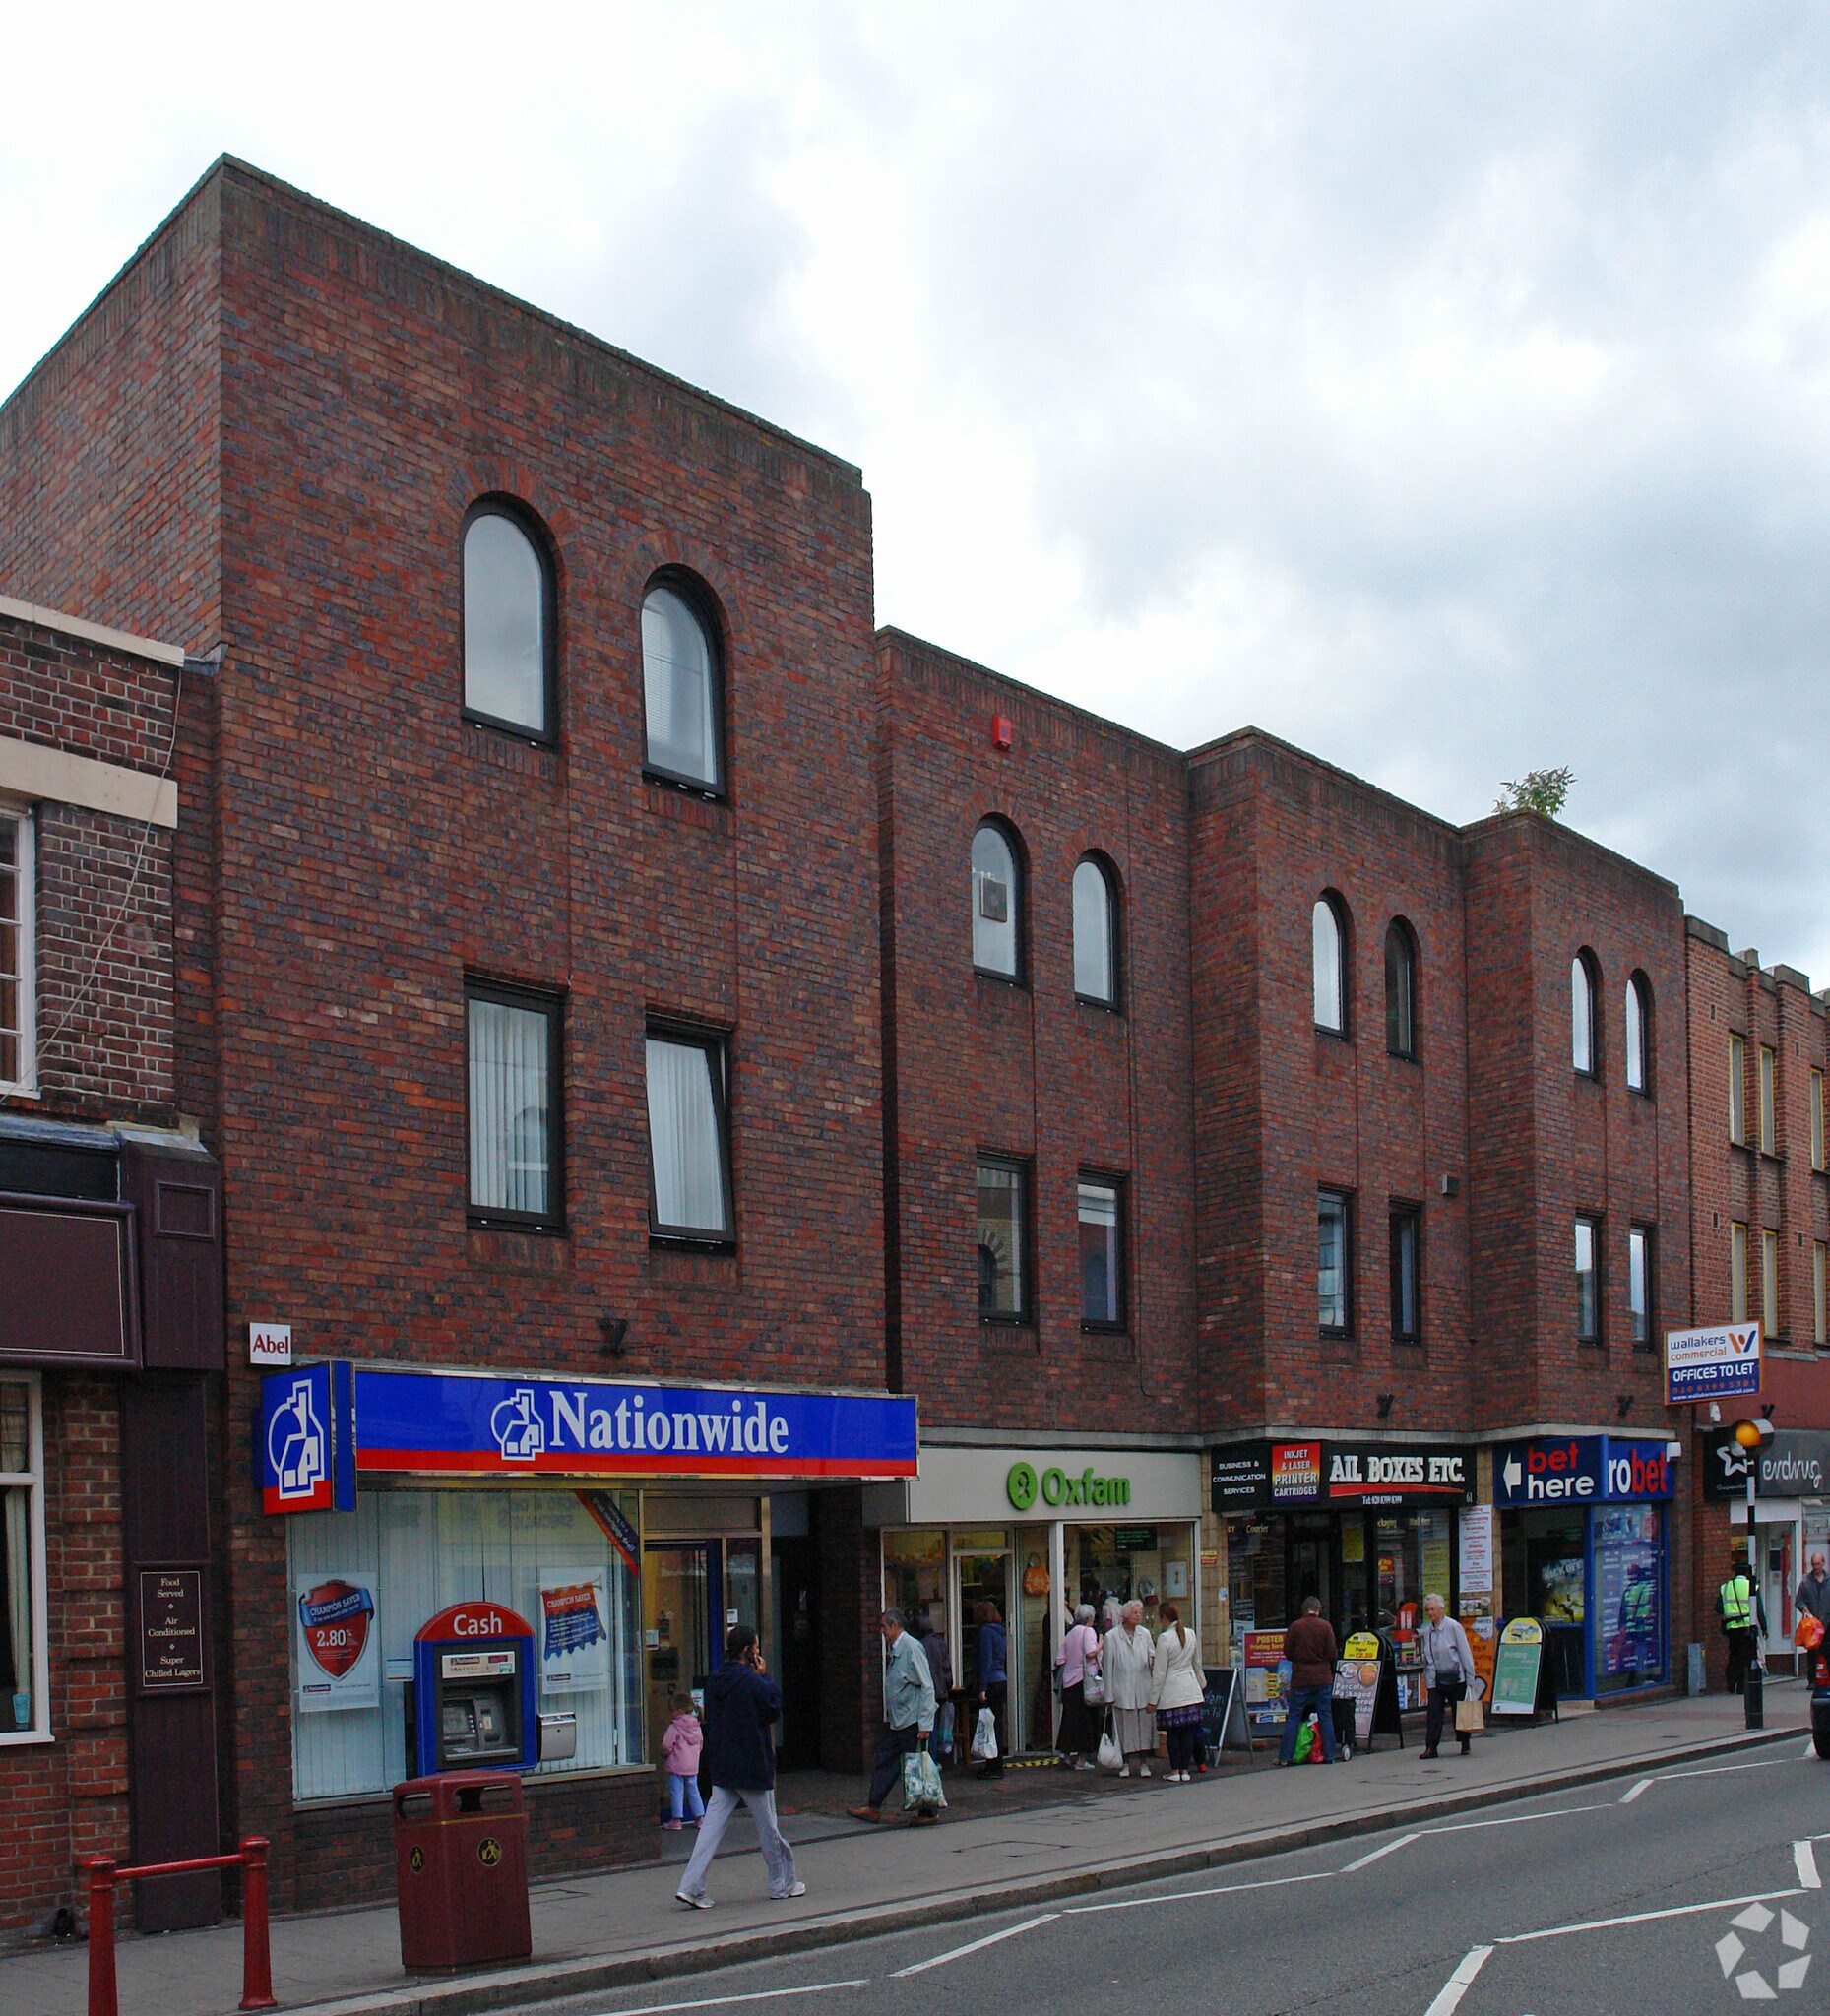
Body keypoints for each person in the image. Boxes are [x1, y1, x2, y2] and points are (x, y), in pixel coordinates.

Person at [673, 1624, 803, 1909]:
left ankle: (691, 1886)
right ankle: (781, 1883)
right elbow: (772, 1708)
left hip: (723, 1763)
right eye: (755, 1648)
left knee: (711, 1828)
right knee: (768, 1827)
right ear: (748, 1651)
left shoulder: (716, 1679)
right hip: (753, 1764)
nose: (758, 1652)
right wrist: (765, 1676)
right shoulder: (752, 1681)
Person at [849, 1608, 937, 1823]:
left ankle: (927, 1811)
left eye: (884, 1627)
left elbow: (927, 1686)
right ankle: (874, 1805)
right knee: (886, 1758)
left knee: (915, 1764)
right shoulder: (897, 1649)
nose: (882, 1631)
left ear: (895, 1626)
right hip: (900, 1720)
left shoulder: (912, 1648)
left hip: (912, 1720)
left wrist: (925, 1724)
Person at [1278, 1597, 1339, 1766]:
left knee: (1294, 1716)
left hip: (1301, 1677)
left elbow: (1288, 1652)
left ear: (1304, 1610)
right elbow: (1332, 1653)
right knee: (1325, 1715)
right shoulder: (1326, 1626)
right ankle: (1329, 1755)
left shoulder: (1296, 1627)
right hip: (1322, 1676)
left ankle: (1286, 1756)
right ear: (1318, 1610)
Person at [1101, 1598, 1157, 1778]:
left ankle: (1143, 1763)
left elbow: (1152, 1657)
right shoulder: (1112, 1637)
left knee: (1143, 1729)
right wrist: (1108, 1695)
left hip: (1142, 1687)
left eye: (1139, 1613)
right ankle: (1124, 1763)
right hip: (1122, 1689)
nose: (1138, 1616)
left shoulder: (1145, 1634)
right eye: (1135, 1613)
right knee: (1124, 1730)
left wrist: (1153, 1661)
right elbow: (1107, 1666)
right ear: (1125, 1615)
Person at [1151, 1602, 1205, 1782]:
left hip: (1172, 1692)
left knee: (1173, 1733)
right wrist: (1202, 1684)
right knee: (1187, 1732)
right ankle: (1186, 1770)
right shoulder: (1190, 1633)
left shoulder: (1165, 1639)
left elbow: (1159, 1673)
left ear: (1164, 1618)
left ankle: (1175, 1771)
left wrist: (1152, 1700)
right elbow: (1196, 1663)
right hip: (1190, 1689)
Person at [1419, 1594, 1477, 1759]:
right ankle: (1431, 1747)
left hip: (1455, 1677)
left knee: (1460, 1712)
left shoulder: (1453, 1627)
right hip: (1436, 1679)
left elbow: (1464, 1653)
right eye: (1428, 1610)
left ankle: (1465, 1742)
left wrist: (1470, 1678)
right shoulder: (1428, 1631)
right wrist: (1428, 1680)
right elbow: (1428, 1658)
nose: (1430, 1613)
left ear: (1441, 1609)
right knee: (1434, 1713)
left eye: (1433, 1610)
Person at [1054, 1604, 1102, 1769]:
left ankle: (1065, 1753)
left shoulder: (1070, 1634)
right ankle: (1081, 1760)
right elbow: (1090, 1653)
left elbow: (1059, 1659)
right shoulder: (1088, 1632)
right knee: (1086, 1721)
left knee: (1069, 1719)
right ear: (1090, 1618)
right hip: (1084, 1681)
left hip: (1069, 1681)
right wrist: (1101, 1644)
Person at [1719, 1548, 1767, 1694]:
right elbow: (1759, 1609)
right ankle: (1741, 1686)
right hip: (1747, 1627)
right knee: (1746, 1657)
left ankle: (1730, 1683)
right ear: (1747, 1573)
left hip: (1731, 1628)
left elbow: (1718, 1608)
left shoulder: (1725, 1587)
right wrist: (1764, 1628)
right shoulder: (1752, 1587)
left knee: (1733, 1655)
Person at [660, 1689, 705, 1830]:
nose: (671, 1714)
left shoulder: (675, 1726)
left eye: (672, 1710)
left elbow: (667, 1745)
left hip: (677, 1765)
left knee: (676, 1792)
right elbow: (700, 1745)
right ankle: (700, 1818)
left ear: (679, 1711)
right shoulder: (696, 1725)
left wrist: (665, 1754)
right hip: (692, 1765)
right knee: (693, 1790)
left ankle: (677, 1820)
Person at [974, 1600, 1008, 1779]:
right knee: (996, 1725)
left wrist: (982, 1687)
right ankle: (994, 1763)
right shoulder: (1000, 1632)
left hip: (991, 1682)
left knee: (990, 1726)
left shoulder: (986, 1632)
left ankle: (994, 1766)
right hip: (1001, 1679)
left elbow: (985, 1660)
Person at [919, 1609, 955, 1765]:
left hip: (926, 1692)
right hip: (940, 1691)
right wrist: (948, 1685)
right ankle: (936, 1758)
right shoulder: (939, 1642)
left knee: (929, 1726)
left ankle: (930, 1759)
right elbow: (946, 1667)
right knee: (936, 1725)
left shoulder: (920, 1645)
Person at [1797, 1552, 1830, 1632]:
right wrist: (1804, 1608)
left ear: (1823, 1563)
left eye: (1818, 1564)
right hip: (1812, 1627)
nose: (1816, 1567)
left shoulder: (1829, 1581)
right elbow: (1798, 1601)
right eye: (1814, 1565)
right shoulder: (1806, 1583)